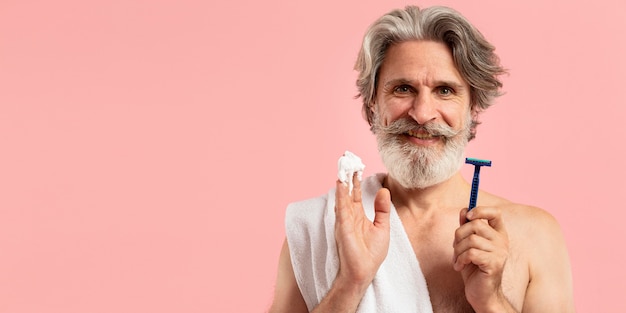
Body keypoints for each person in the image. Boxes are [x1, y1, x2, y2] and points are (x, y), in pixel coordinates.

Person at [270, 5, 574, 313]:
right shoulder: (317, 227)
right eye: (403, 88)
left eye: (444, 90)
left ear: (472, 107)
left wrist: (492, 301)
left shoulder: (535, 235)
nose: (422, 113)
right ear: (374, 102)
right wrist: (350, 284)